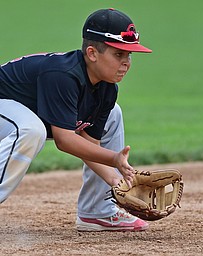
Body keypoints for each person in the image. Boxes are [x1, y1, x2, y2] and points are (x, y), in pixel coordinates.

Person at [0, 8, 152, 232]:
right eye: (118, 54)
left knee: (113, 114)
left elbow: (89, 146)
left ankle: (98, 211)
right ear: (92, 53)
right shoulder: (63, 75)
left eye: (129, 55)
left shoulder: (107, 89)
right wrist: (115, 159)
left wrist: (118, 182)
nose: (126, 62)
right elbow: (65, 140)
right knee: (31, 130)